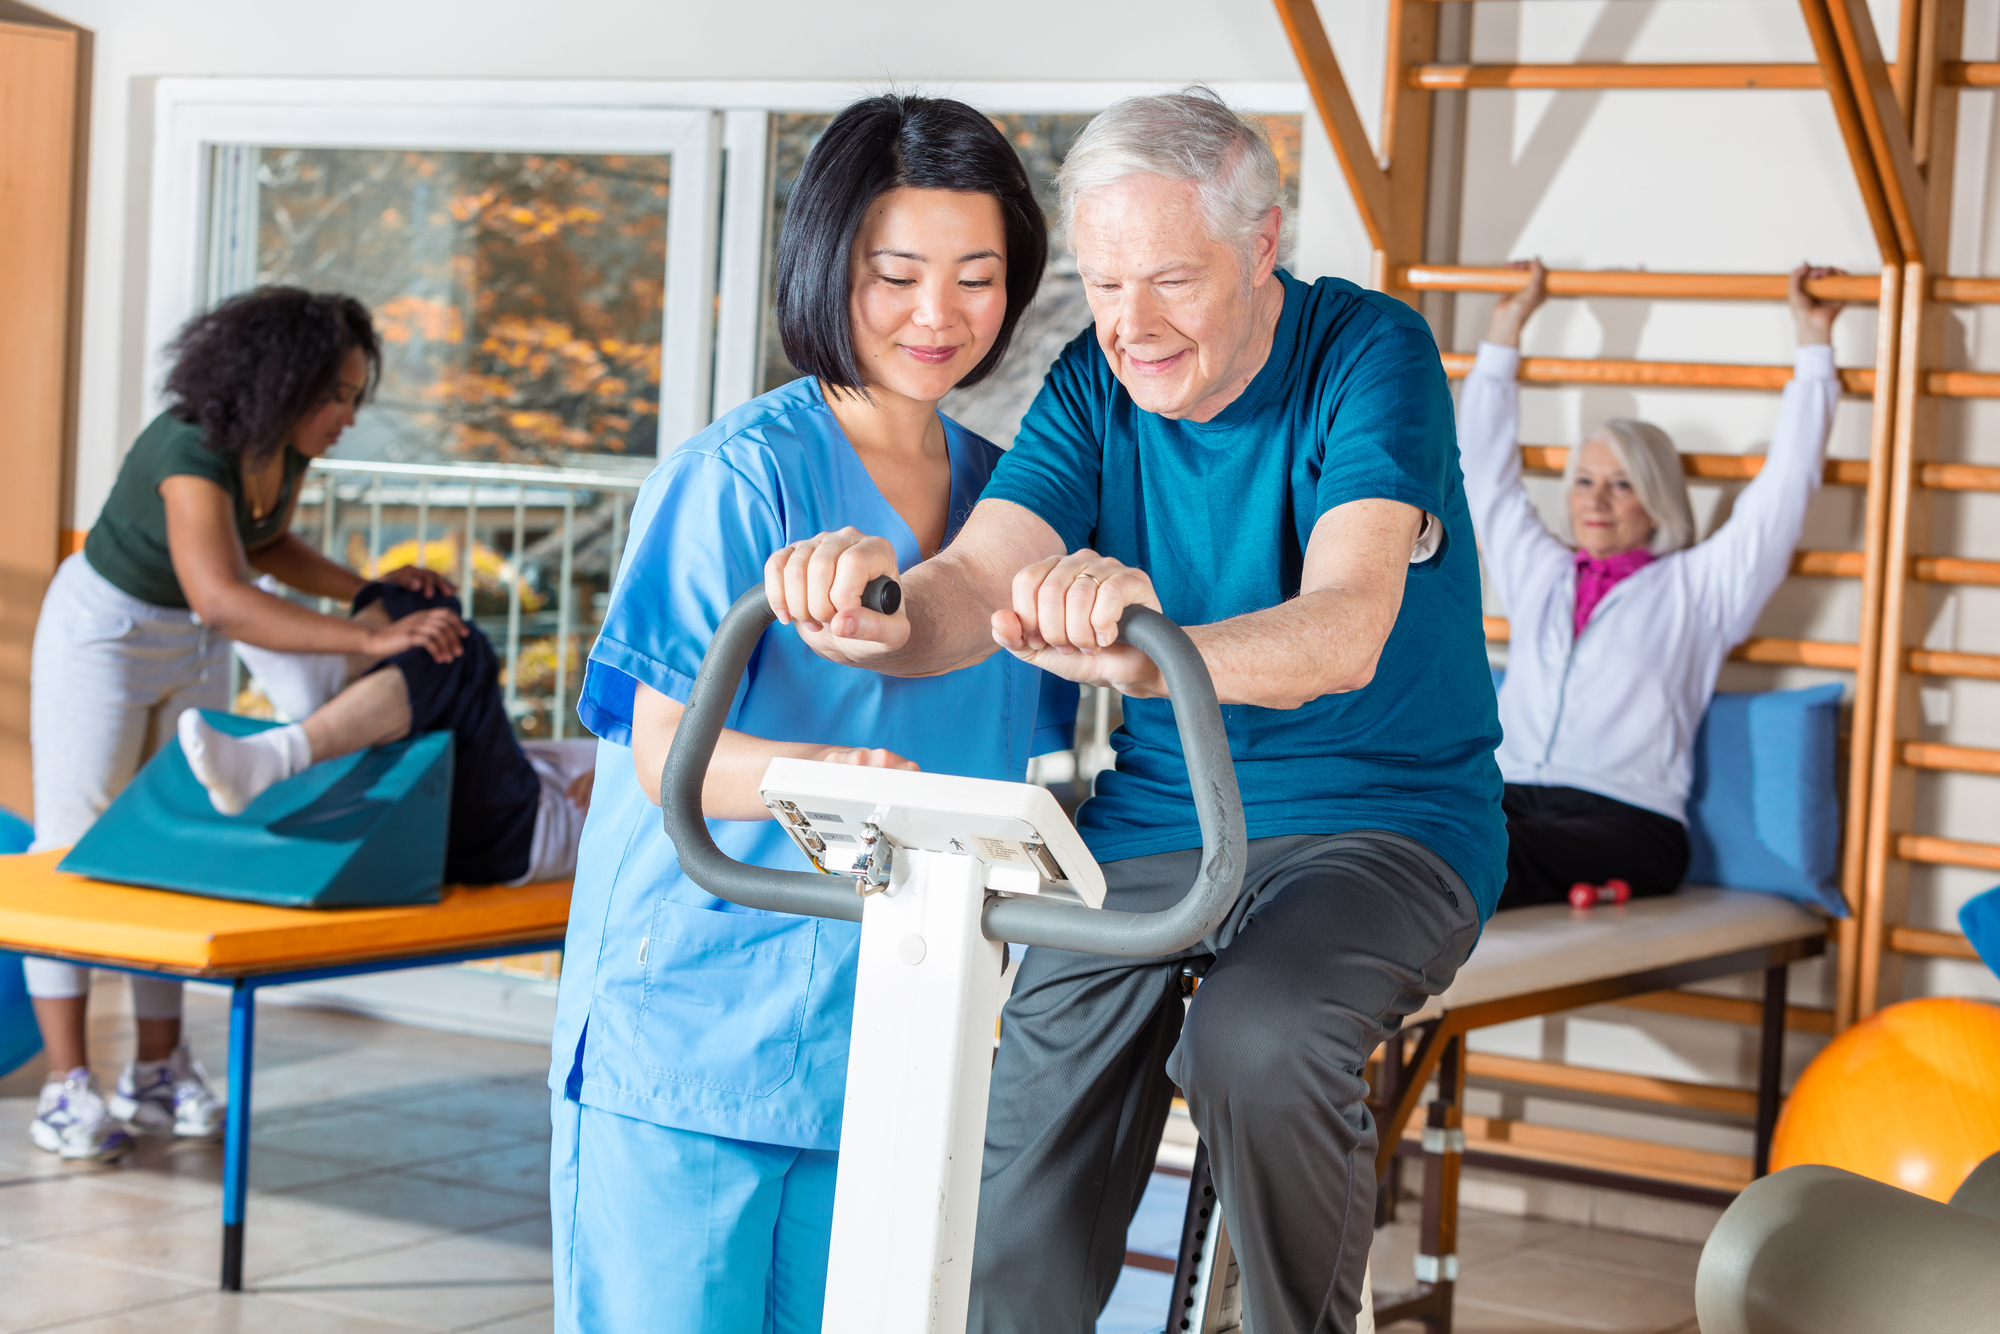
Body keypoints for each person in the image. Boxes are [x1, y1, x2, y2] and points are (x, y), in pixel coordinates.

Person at [765, 87, 1505, 1334]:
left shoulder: (1369, 356)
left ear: (1263, 245)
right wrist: (888, 615)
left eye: (1168, 278)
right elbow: (978, 575)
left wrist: (1155, 654)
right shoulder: (1091, 387)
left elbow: (1345, 625)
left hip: (1385, 821)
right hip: (1162, 818)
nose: (1130, 325)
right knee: (1031, 1109)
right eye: (1104, 285)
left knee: (1255, 1042)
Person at [547, 94, 1075, 1334]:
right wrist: (840, 775)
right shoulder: (739, 480)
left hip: (894, 1039)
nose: (935, 316)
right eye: (894, 275)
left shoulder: (1009, 508)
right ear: (825, 265)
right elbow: (664, 757)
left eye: (975, 277)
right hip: (694, 1032)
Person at [24, 286, 468, 1160]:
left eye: (353, 395)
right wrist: (368, 629)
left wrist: (375, 591)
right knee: (67, 847)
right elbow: (223, 595)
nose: (347, 414)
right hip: (104, 635)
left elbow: (261, 547)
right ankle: (65, 1085)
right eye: (334, 395)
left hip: (186, 641)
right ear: (281, 381)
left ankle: (156, 1072)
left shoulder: (278, 450)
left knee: (170, 842)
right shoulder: (190, 448)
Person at [1460, 258, 1845, 909]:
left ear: (1657, 498)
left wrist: (1814, 349)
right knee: (1417, 830)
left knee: (1478, 852)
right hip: (1513, 795)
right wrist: (1506, 326)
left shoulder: (1700, 589)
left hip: (1630, 820)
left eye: (1622, 485)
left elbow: (1784, 492)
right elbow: (1483, 469)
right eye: (1584, 481)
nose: (1596, 501)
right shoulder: (1541, 569)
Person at [176, 582, 598, 888]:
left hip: (522, 833)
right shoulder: (642, 743)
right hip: (514, 785)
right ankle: (326, 677)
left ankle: (276, 755)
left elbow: (662, 806)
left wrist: (628, 787)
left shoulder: (647, 779)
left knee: (461, 651)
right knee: (426, 596)